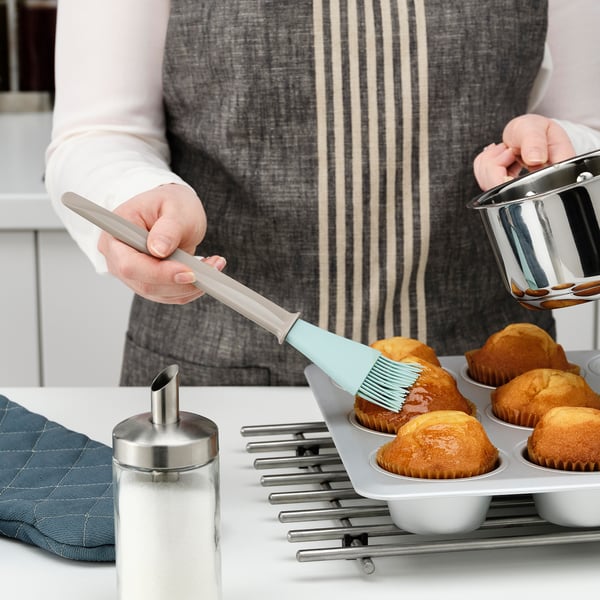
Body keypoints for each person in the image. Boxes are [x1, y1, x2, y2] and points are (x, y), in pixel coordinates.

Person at [45, 0, 600, 387]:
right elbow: (100, 132)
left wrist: (553, 152)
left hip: (492, 378)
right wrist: (135, 191)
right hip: (217, 379)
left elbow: (583, 125)